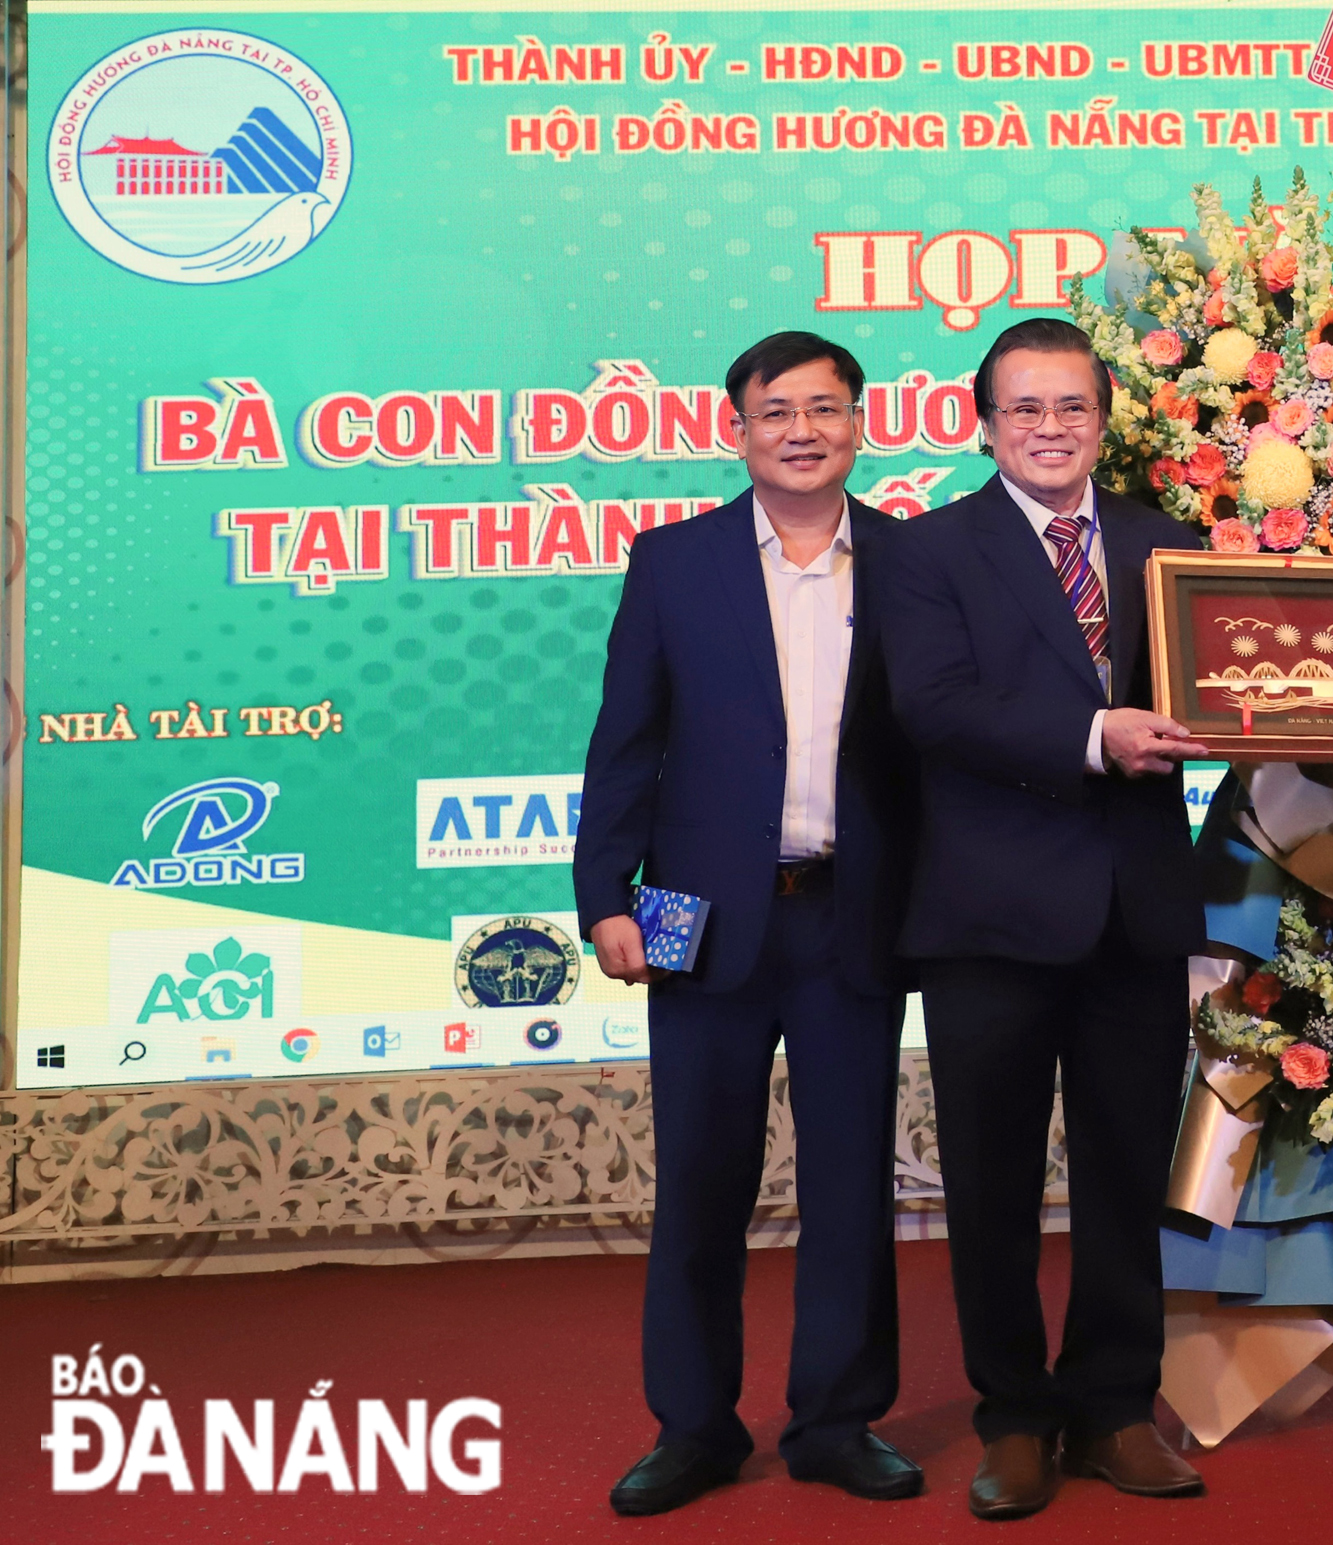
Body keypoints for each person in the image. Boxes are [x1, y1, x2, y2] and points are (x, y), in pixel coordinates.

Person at [575, 331, 922, 1516]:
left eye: (824, 409)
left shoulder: (909, 561)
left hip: (852, 911)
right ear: (739, 429)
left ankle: (835, 1420)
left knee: (848, 1187)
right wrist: (603, 900)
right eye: (776, 412)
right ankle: (694, 1426)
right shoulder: (673, 561)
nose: (801, 431)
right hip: (693, 913)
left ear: (860, 423)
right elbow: (626, 742)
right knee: (701, 1181)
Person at [879, 317, 1210, 1520]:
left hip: (1133, 911)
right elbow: (934, 706)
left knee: (1129, 1175)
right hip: (988, 919)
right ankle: (1014, 1415)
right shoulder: (926, 553)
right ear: (983, 424)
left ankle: (1117, 1405)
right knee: (992, 1181)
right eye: (1025, 410)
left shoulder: (1167, 544)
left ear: (1105, 416)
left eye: (1071, 407)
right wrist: (1092, 738)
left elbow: (1220, 694)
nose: (1050, 428)